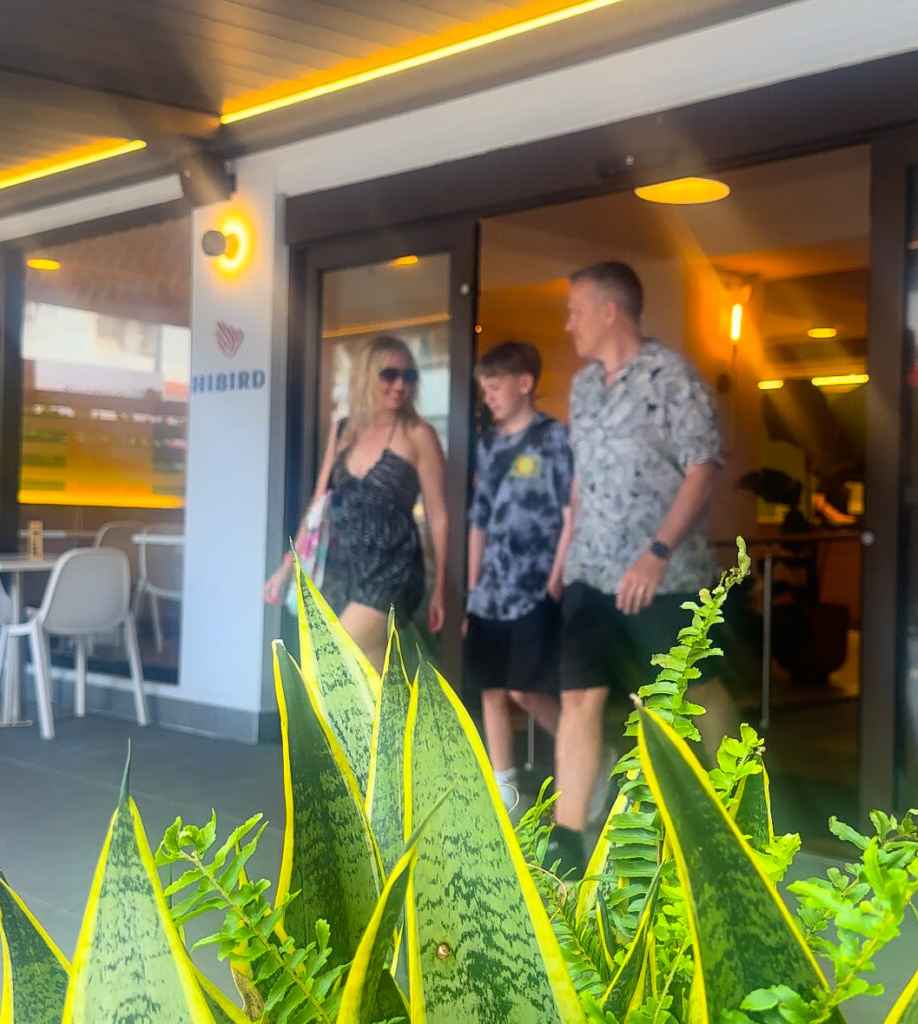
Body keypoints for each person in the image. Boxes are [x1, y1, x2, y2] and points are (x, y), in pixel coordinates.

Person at [551, 261, 722, 873]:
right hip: (590, 572)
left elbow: (703, 469)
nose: (568, 324)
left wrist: (657, 552)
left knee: (693, 690)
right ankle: (566, 842)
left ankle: (734, 808)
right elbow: (581, 480)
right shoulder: (582, 387)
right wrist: (563, 558)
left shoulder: (673, 376)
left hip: (663, 577)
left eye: (575, 311)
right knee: (579, 697)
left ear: (609, 310)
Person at [264, 335, 449, 670]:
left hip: (393, 567)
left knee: (334, 654)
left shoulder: (418, 434)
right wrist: (287, 566)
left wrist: (441, 587)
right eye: (389, 375)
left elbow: (438, 515)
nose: (400, 385)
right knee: (366, 674)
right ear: (366, 376)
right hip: (343, 566)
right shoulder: (343, 430)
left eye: (408, 376)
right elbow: (318, 506)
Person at [464, 341, 574, 807]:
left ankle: (589, 758)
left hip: (535, 587)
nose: (488, 397)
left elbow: (572, 512)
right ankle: (505, 792)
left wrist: (555, 579)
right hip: (490, 589)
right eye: (484, 388)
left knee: (526, 690)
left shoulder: (556, 438)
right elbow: (479, 520)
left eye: (495, 387)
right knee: (491, 690)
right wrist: (472, 589)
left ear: (524, 384)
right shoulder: (488, 444)